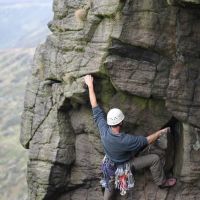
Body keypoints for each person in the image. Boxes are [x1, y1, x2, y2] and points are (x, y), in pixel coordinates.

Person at [84, 75, 176, 199]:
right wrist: (161, 132)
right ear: (121, 122)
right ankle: (162, 182)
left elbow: (94, 106)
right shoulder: (126, 140)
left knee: (109, 188)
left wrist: (90, 85)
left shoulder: (103, 129)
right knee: (154, 158)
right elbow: (147, 140)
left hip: (110, 164)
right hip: (125, 165)